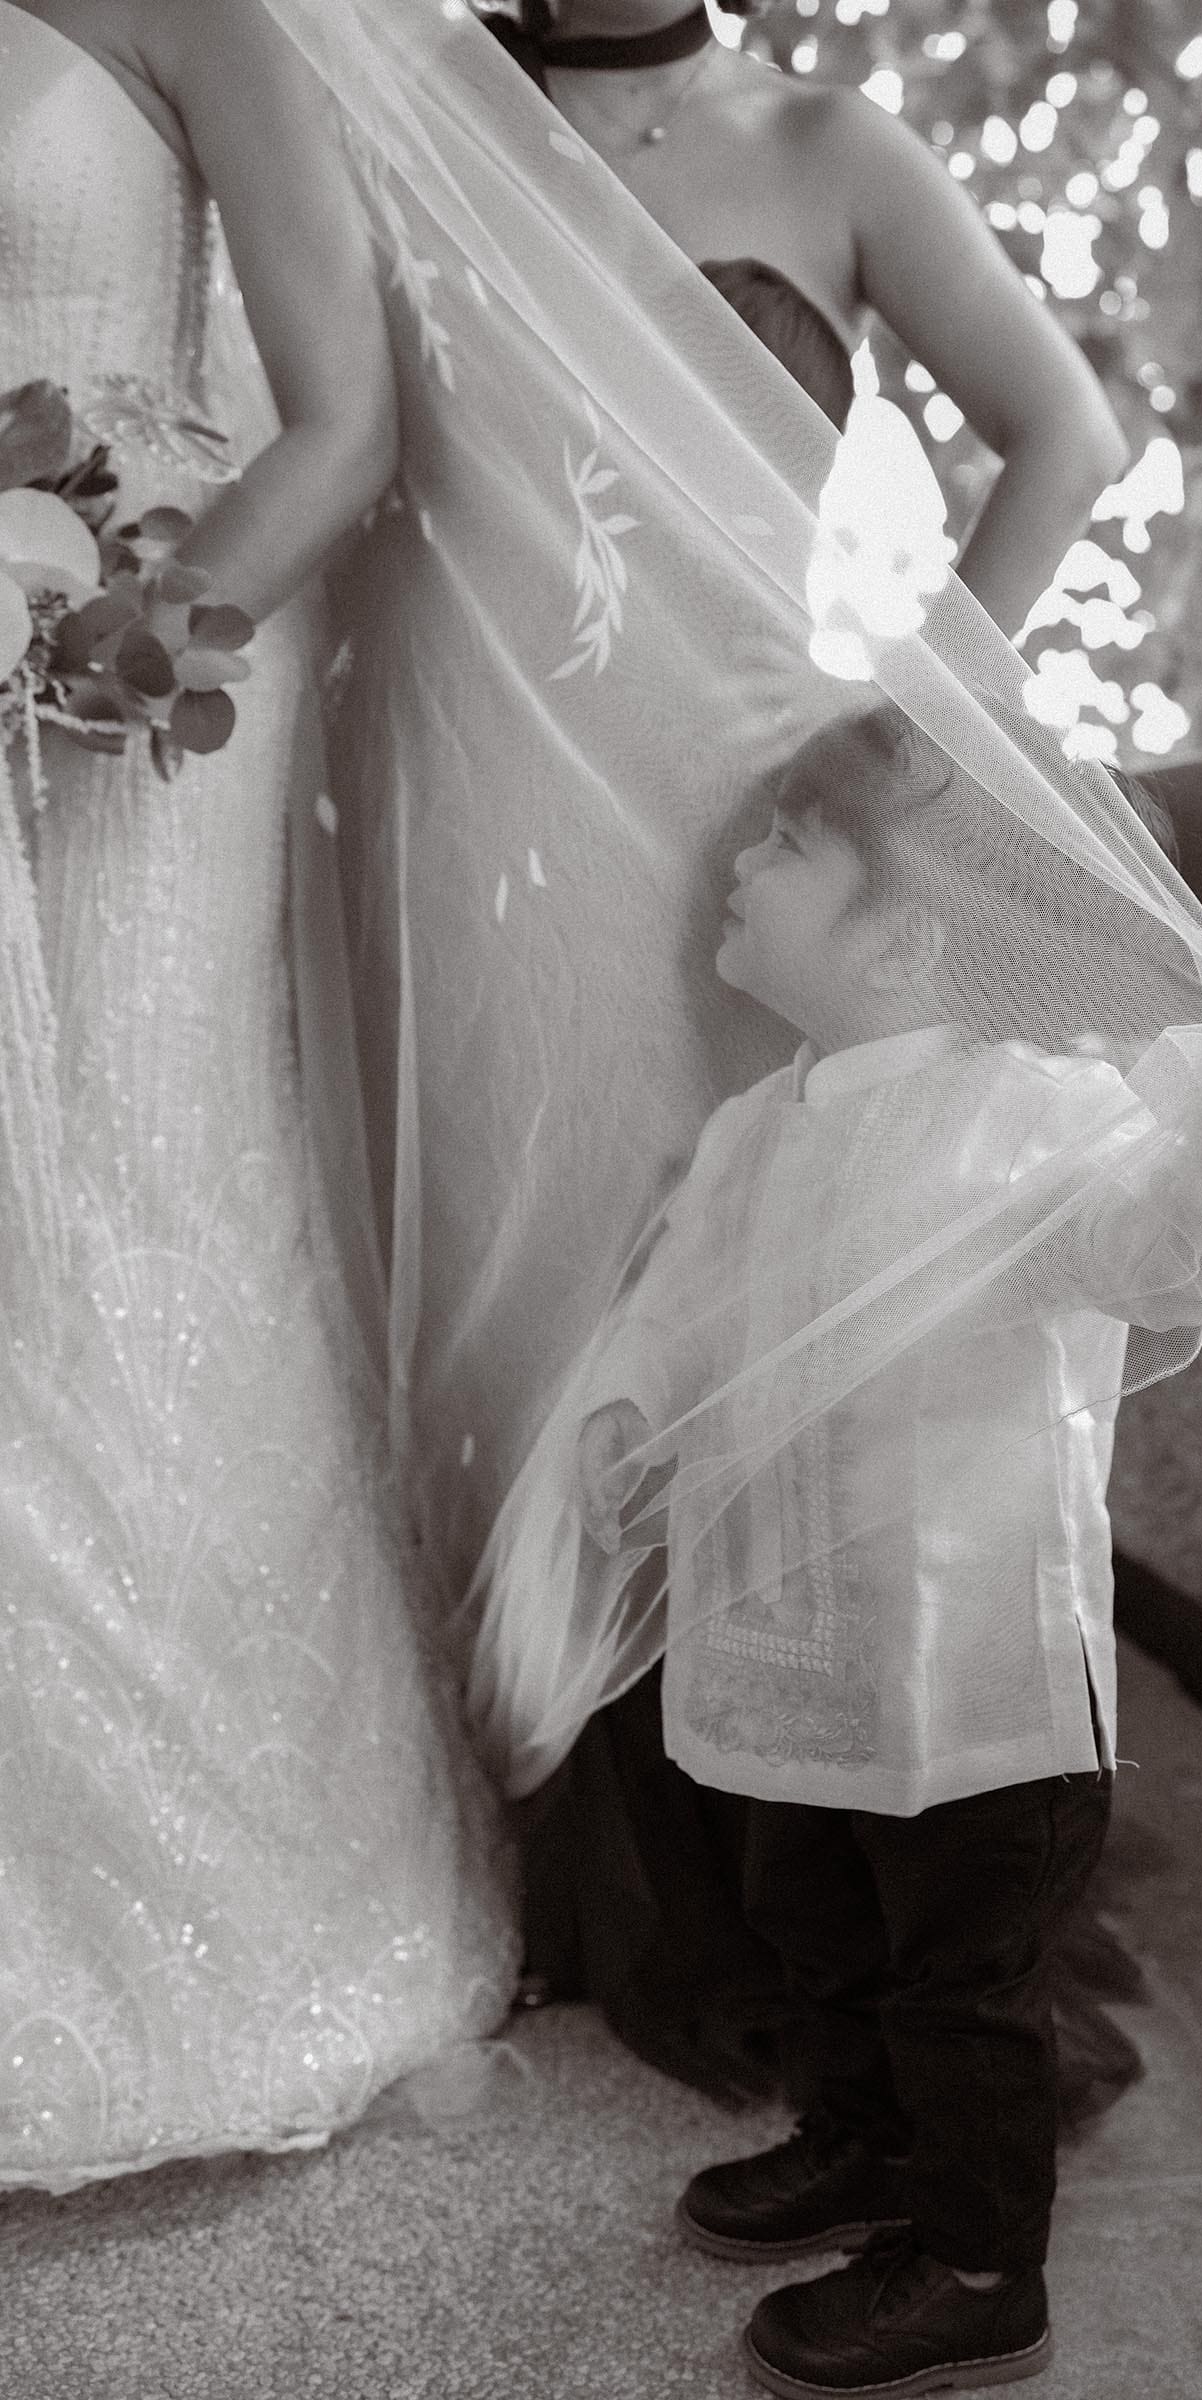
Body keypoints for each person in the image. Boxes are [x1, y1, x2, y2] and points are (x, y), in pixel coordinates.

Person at [496, 701, 1202, 2396]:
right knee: (813, 1925)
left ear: (906, 938)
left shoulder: (1032, 1118)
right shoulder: (762, 1128)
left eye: (789, 844)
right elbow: (682, 1314)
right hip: (795, 1638)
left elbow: (1163, 1231)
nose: (743, 864)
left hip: (974, 1672)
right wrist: (624, 1414)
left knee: (961, 1977)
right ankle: (860, 2145)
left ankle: (982, 2263)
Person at [482, 0, 1143, 2103]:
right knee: (535, 1307)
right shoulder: (434, 107)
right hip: (492, 811)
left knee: (753, 1312)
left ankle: (812, 1911)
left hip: (742, 817)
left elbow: (1065, 434)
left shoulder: (821, 145)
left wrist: (919, 723)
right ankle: (555, 1874)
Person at [0, 0, 516, 2187]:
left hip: (157, 655)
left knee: (132, 1182)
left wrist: (100, 645)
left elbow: (346, 421)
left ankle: (232, 1922)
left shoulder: (192, 8)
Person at [483, 0, 1130, 630]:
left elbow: (1072, 439)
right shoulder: (448, 87)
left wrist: (918, 698)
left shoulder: (833, 148)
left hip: (734, 695)